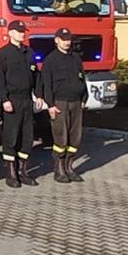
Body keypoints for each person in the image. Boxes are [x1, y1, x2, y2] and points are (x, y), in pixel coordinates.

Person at [0, 20, 40, 188]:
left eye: (23, 31)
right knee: (11, 137)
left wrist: (39, 95)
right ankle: (11, 173)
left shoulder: (29, 53)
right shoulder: (3, 54)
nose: (22, 34)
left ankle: (23, 171)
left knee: (27, 138)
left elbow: (36, 75)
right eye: (19, 31)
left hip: (27, 100)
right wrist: (4, 99)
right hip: (12, 100)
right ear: (10, 33)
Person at [38, 27, 89, 184]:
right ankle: (59, 168)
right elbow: (46, 84)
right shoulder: (51, 60)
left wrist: (83, 97)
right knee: (61, 137)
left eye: (68, 39)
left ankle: (69, 167)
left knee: (75, 138)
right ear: (56, 40)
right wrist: (50, 105)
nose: (67, 42)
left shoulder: (75, 58)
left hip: (76, 102)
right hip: (60, 103)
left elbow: (81, 78)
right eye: (63, 39)